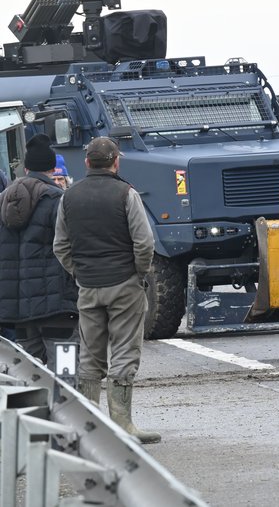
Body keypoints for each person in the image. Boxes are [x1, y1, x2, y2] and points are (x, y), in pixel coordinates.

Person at [53, 137, 159, 444]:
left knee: (90, 356)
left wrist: (79, 272)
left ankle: (89, 426)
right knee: (125, 352)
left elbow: (60, 245)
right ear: (116, 162)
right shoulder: (127, 194)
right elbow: (144, 242)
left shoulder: (68, 197)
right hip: (124, 284)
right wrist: (137, 272)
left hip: (88, 286)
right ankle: (122, 424)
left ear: (87, 162)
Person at [0, 134, 77, 364]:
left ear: (25, 168)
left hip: (19, 312)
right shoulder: (59, 201)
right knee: (66, 373)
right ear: (53, 169)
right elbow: (70, 247)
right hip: (58, 309)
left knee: (30, 376)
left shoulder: (3, 201)